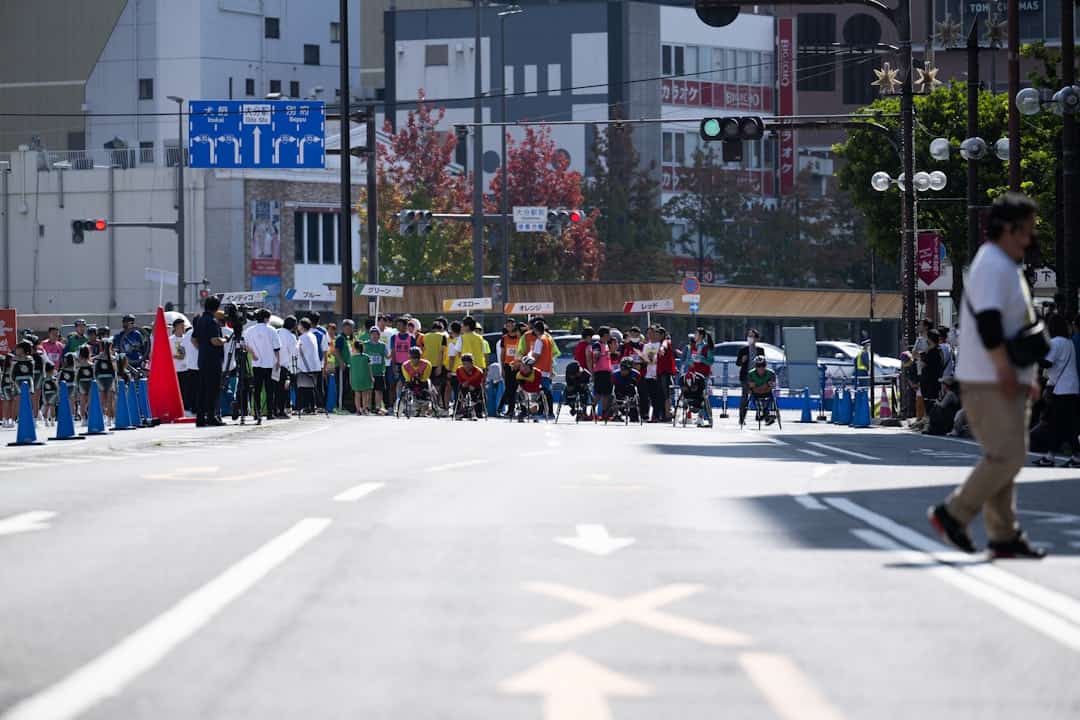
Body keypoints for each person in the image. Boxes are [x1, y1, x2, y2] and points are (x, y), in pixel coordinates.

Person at [929, 192, 1047, 559]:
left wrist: (1025, 375)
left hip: (1000, 376)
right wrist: (1006, 371)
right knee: (1008, 457)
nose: (1029, 238)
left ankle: (1003, 535)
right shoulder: (994, 265)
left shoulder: (1001, 264)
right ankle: (954, 513)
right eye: (1026, 230)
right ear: (1009, 229)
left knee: (1003, 457)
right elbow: (990, 326)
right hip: (990, 379)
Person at [1033, 314, 1080, 467]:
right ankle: (1050, 456)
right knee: (1059, 423)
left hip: (1061, 389)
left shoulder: (1055, 342)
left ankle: (1072, 455)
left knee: (1061, 424)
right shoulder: (1068, 342)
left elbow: (1046, 363)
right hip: (1071, 388)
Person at [191, 296, 226, 426]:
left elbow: (193, 339)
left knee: (203, 389)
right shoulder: (212, 321)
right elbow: (214, 340)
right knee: (213, 390)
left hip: (203, 359)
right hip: (213, 360)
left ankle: (200, 418)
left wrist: (202, 349)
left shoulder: (199, 320)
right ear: (216, 308)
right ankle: (211, 417)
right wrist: (225, 340)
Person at [244, 308, 280, 424]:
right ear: (266, 318)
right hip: (270, 363)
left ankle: (257, 413)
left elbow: (244, 344)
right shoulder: (272, 330)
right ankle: (270, 413)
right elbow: (276, 348)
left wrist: (253, 353)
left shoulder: (249, 330)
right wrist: (278, 361)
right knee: (270, 389)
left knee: (257, 390)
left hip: (256, 363)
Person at [737, 329, 765, 427]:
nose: (750, 338)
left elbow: (763, 364)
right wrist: (742, 360)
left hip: (757, 377)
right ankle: (741, 418)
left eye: (752, 336)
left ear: (756, 338)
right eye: (749, 336)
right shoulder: (743, 350)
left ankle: (760, 413)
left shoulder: (760, 350)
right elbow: (738, 363)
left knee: (760, 395)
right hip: (745, 376)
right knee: (744, 397)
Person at [296, 317, 322, 413]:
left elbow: (296, 350)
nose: (298, 327)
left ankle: (306, 407)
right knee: (310, 387)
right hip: (314, 365)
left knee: (303, 388)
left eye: (299, 325)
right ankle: (311, 407)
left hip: (305, 366)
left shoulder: (302, 337)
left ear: (302, 326)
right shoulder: (312, 335)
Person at [274, 316, 297, 418]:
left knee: (273, 388)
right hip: (283, 365)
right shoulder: (291, 336)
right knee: (283, 389)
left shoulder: (276, 331)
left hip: (273, 364)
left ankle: (273, 410)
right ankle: (281, 410)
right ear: (293, 326)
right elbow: (294, 353)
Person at [497, 320, 521, 416]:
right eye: (508, 325)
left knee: (514, 388)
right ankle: (509, 409)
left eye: (511, 325)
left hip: (518, 365)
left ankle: (507, 408)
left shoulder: (520, 337)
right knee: (508, 388)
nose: (510, 327)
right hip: (508, 365)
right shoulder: (504, 338)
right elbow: (503, 353)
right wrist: (502, 368)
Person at [747, 355, 778, 426]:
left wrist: (762, 387)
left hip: (767, 392)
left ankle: (765, 412)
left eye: (763, 365)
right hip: (756, 393)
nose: (761, 368)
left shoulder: (771, 373)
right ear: (755, 366)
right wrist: (764, 385)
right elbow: (750, 387)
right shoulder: (751, 374)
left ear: (766, 365)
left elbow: (772, 385)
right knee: (753, 397)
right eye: (758, 365)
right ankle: (763, 413)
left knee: (770, 398)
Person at [365, 326, 389, 414]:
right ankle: (368, 407)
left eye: (376, 334)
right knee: (369, 390)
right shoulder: (365, 345)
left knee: (378, 390)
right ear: (370, 335)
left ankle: (378, 407)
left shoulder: (382, 345)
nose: (374, 336)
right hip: (368, 372)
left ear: (379, 335)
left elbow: (387, 356)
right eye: (373, 334)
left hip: (379, 372)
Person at [590, 328, 614, 419]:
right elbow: (595, 356)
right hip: (600, 372)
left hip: (607, 372)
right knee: (599, 394)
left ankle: (604, 413)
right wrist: (602, 354)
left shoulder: (606, 345)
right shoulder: (597, 344)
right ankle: (592, 412)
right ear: (604, 335)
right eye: (608, 334)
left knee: (607, 394)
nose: (610, 336)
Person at [334, 319, 357, 413]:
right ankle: (339, 407)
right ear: (343, 328)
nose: (350, 330)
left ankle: (346, 406)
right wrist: (341, 362)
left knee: (347, 387)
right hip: (341, 367)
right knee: (341, 387)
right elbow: (336, 351)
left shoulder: (348, 339)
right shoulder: (340, 338)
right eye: (348, 328)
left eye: (351, 328)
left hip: (348, 366)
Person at [920, 329, 944, 415]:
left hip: (929, 384)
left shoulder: (931, 353)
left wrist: (922, 356)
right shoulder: (940, 351)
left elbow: (923, 364)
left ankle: (931, 424)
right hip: (936, 383)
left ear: (930, 339)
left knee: (930, 407)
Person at [455, 353, 485, 419]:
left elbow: (479, 381)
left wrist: (472, 385)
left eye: (468, 364)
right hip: (464, 386)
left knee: (476, 391)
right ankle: (462, 409)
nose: (466, 366)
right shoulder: (459, 370)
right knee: (460, 388)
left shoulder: (478, 371)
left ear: (472, 363)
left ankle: (474, 411)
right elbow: (460, 380)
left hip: (475, 386)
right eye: (464, 364)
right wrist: (465, 384)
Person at [93, 339, 117, 423]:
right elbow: (115, 371)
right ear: (110, 346)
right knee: (111, 399)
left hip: (100, 379)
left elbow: (95, 370)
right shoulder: (113, 358)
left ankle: (103, 417)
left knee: (102, 399)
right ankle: (110, 418)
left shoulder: (98, 357)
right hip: (110, 379)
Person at [612, 356, 642, 422]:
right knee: (613, 396)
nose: (623, 371)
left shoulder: (636, 374)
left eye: (625, 369)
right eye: (622, 369)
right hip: (619, 392)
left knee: (635, 394)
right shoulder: (615, 374)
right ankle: (617, 414)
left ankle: (634, 416)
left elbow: (638, 385)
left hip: (630, 392)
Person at [515, 355, 544, 422]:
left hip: (534, 393)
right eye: (522, 366)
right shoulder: (518, 375)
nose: (523, 368)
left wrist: (526, 384)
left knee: (540, 392)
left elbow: (535, 386)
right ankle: (524, 411)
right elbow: (522, 387)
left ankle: (534, 413)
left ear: (531, 367)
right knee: (518, 391)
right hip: (524, 394)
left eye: (525, 366)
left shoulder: (537, 373)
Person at [350, 337, 374, 415]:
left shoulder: (352, 358)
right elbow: (370, 368)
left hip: (355, 378)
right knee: (365, 394)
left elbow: (351, 370)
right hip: (365, 378)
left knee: (357, 395)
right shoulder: (367, 357)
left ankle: (358, 410)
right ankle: (364, 409)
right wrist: (371, 377)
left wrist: (350, 379)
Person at [41, 362, 58, 427]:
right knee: (47, 408)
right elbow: (42, 389)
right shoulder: (44, 380)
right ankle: (46, 421)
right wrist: (43, 397)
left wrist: (57, 395)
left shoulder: (54, 379)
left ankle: (52, 421)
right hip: (46, 395)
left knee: (52, 408)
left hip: (53, 395)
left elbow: (57, 388)